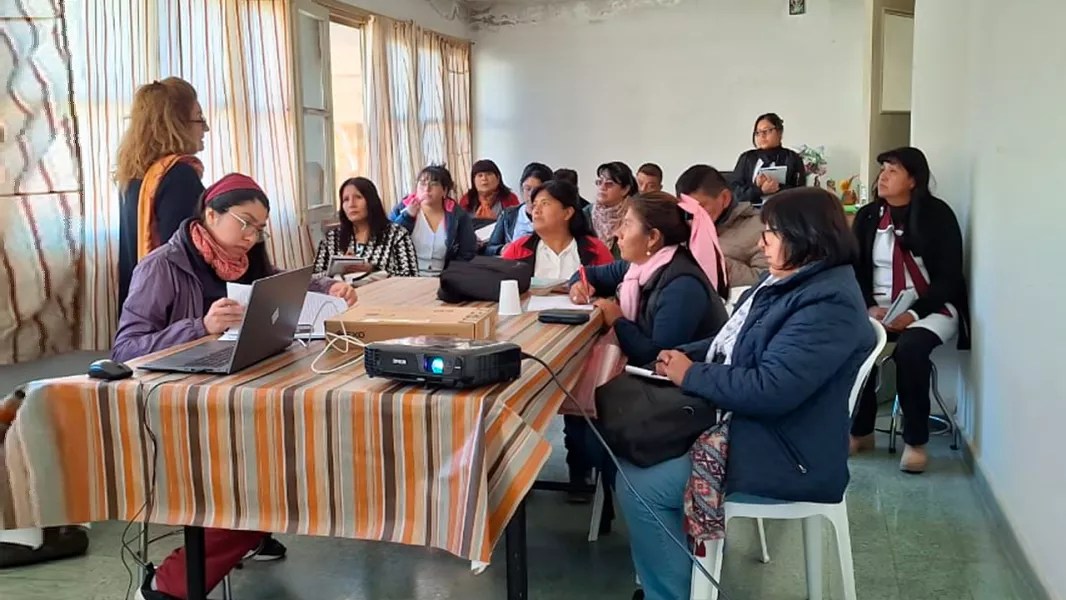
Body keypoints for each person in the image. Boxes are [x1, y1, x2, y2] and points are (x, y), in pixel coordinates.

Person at [619, 188, 874, 600]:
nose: (760, 244)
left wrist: (692, 375)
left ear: (805, 236)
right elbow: (732, 342)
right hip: (757, 426)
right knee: (636, 444)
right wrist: (682, 357)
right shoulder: (788, 281)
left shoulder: (828, 303)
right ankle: (675, 580)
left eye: (770, 233)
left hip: (789, 452)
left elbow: (771, 389)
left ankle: (670, 593)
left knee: (640, 482)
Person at [113, 174, 356, 600]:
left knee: (304, 448)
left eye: (259, 228)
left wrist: (329, 286)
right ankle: (170, 582)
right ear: (210, 214)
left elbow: (286, 284)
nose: (251, 236)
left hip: (236, 396)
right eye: (244, 223)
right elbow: (125, 349)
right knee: (271, 477)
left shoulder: (248, 261)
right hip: (179, 408)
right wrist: (200, 326)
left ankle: (249, 531)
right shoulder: (162, 266)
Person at [849, 147, 969, 474]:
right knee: (852, 342)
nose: (883, 177)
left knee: (911, 349)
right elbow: (855, 270)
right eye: (883, 170)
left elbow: (949, 278)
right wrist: (868, 306)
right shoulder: (868, 216)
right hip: (879, 309)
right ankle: (860, 431)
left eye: (893, 171)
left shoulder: (938, 215)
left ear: (913, 180)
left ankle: (916, 442)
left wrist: (913, 314)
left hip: (931, 308)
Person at [568, 191, 729, 367]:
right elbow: (588, 273)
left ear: (653, 237)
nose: (617, 232)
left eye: (627, 224)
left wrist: (617, 320)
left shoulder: (682, 286)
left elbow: (658, 357)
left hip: (684, 376)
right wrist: (578, 284)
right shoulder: (639, 266)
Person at [116, 77, 209, 307]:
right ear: (177, 124)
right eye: (199, 118)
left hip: (138, 304)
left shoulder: (134, 175)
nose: (205, 128)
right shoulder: (179, 176)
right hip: (171, 310)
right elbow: (183, 257)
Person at [313, 177, 418, 284]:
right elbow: (314, 278)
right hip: (341, 293)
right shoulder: (332, 238)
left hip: (382, 293)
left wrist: (373, 269)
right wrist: (339, 270)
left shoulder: (397, 234)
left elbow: (411, 277)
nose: (351, 204)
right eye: (346, 199)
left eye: (358, 197)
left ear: (371, 201)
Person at [676, 164, 768, 286]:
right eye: (687, 208)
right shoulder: (681, 227)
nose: (693, 214)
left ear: (725, 198)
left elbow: (766, 280)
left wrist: (714, 263)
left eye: (700, 206)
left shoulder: (761, 228)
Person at [500, 180, 613, 277]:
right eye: (534, 205)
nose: (536, 211)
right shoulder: (517, 250)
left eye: (545, 203)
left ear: (567, 213)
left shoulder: (595, 250)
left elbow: (610, 289)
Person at [389, 165, 477, 276]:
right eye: (422, 184)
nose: (427, 189)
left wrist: (451, 275)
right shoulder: (402, 209)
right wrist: (407, 217)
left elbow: (467, 251)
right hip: (405, 276)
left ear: (444, 191)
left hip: (444, 277)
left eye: (434, 184)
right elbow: (388, 241)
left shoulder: (458, 216)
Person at [730, 112, 806, 206]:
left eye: (766, 131)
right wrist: (758, 189)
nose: (762, 136)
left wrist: (776, 187)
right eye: (758, 133)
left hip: (782, 210)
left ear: (779, 132)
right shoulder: (746, 158)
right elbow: (734, 192)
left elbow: (800, 193)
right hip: (750, 211)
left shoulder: (792, 158)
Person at [484, 162, 553, 256]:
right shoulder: (509, 215)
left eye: (537, 190)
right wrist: (502, 249)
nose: (531, 195)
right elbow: (489, 248)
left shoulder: (555, 217)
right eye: (527, 189)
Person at [586, 161, 637, 258]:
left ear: (625, 189)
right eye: (599, 182)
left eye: (609, 184)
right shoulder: (585, 214)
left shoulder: (635, 215)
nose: (602, 187)